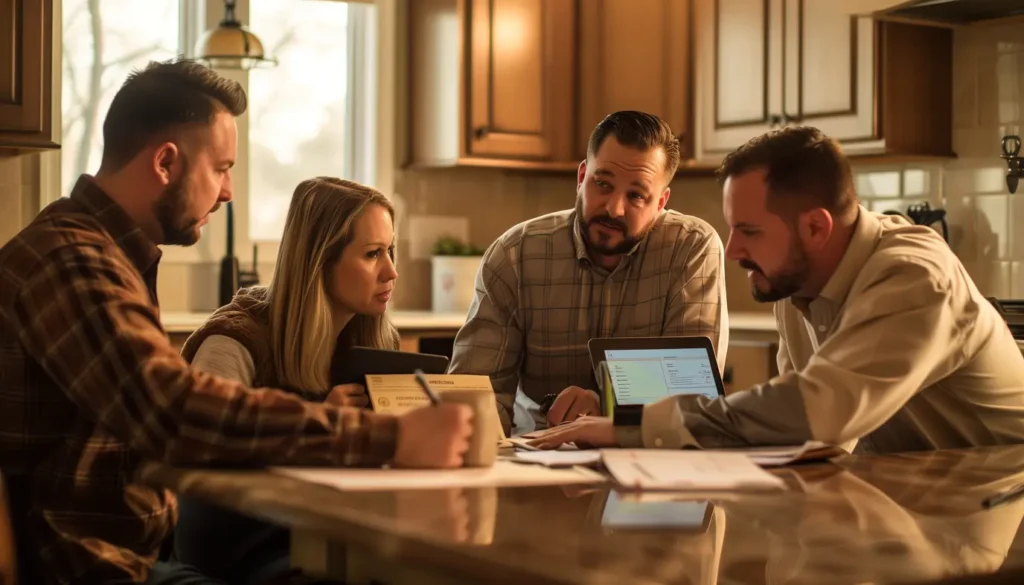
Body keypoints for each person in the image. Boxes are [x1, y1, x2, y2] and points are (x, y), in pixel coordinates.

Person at [0, 58, 473, 585]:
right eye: (222, 168)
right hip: (90, 568)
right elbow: (173, 410)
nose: (228, 192)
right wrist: (388, 438)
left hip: (136, 559)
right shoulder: (72, 261)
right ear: (166, 163)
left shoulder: (108, 255)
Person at [527, 125, 1024, 453]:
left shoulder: (913, 278)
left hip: (998, 502)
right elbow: (800, 436)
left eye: (750, 230)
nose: (731, 249)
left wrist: (630, 429)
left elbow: (811, 408)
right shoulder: (793, 281)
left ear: (815, 228)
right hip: (916, 494)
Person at [172, 177, 402, 585]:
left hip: (336, 535)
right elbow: (203, 451)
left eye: (390, 251)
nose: (391, 271)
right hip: (247, 547)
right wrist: (320, 428)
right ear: (319, 260)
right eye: (372, 254)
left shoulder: (371, 342)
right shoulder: (235, 341)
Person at [449, 110, 729, 436]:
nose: (613, 208)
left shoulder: (691, 248)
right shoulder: (516, 255)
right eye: (602, 183)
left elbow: (690, 395)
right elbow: (477, 390)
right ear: (582, 177)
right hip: (538, 451)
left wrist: (608, 406)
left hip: (650, 454)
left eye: (636, 195)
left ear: (661, 202)